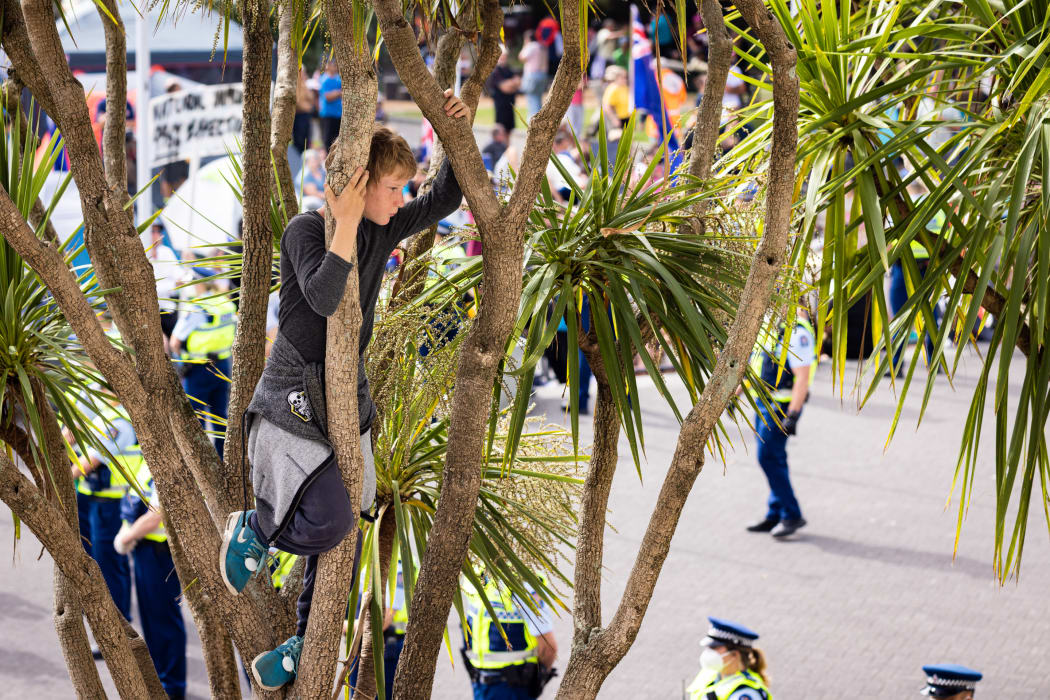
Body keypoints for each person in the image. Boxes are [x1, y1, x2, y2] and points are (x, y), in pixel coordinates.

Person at [218, 90, 470, 691]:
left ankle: (306, 639)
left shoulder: (383, 226)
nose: (402, 199)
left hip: (345, 390)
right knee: (330, 516)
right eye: (392, 188)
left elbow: (446, 197)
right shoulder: (307, 230)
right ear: (360, 187)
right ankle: (255, 528)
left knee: (357, 508)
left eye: (403, 189)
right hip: (291, 393)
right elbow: (326, 300)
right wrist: (347, 224)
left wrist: (451, 133)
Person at [114, 460, 187, 700]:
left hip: (160, 553)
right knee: (151, 621)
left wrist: (127, 537)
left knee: (163, 621)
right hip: (146, 549)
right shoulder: (146, 460)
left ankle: (172, 687)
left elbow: (157, 514)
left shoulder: (165, 462)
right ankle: (159, 681)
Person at [743, 306, 816, 538]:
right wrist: (737, 393)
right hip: (763, 403)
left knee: (767, 457)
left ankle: (792, 514)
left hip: (781, 406)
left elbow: (802, 377)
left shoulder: (797, 332)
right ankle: (776, 512)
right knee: (776, 458)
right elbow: (756, 364)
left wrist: (792, 414)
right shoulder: (772, 324)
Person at [72, 393, 136, 623]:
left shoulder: (119, 421)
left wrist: (62, 478)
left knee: (110, 568)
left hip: (111, 504)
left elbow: (94, 459)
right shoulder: (104, 412)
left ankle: (120, 624)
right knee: (99, 561)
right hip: (94, 497)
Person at [460, 571, 558, 699]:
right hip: (480, 683)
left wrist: (537, 679)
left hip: (512, 687)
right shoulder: (476, 571)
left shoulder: (525, 583)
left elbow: (548, 647)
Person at [170, 272, 237, 457]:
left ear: (198, 284)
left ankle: (199, 461)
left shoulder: (198, 307)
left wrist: (181, 353)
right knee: (220, 418)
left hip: (198, 368)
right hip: (222, 365)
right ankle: (224, 459)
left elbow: (175, 342)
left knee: (195, 419)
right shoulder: (226, 304)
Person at [685, 617, 771, 700]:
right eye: (708, 647)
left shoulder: (745, 692)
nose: (708, 652)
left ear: (734, 655)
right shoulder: (710, 675)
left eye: (714, 647)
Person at [486, 49, 520, 134]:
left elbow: (518, 82)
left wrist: (510, 84)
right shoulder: (495, 71)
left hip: (510, 104)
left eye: (505, 56)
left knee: (509, 131)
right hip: (501, 105)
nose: (503, 58)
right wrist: (513, 83)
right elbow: (505, 87)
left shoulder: (508, 69)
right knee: (500, 130)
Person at [519, 31, 549, 122]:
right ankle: (539, 119)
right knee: (538, 99)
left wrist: (524, 45)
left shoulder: (531, 46)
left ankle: (533, 121)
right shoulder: (542, 46)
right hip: (542, 75)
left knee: (532, 99)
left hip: (532, 75)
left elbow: (521, 57)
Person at [319, 58, 343, 152]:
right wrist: (339, 93)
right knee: (327, 139)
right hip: (328, 115)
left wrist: (336, 93)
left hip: (339, 114)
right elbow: (328, 97)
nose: (335, 67)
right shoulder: (324, 79)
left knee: (337, 139)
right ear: (328, 66)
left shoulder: (338, 79)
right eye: (333, 65)